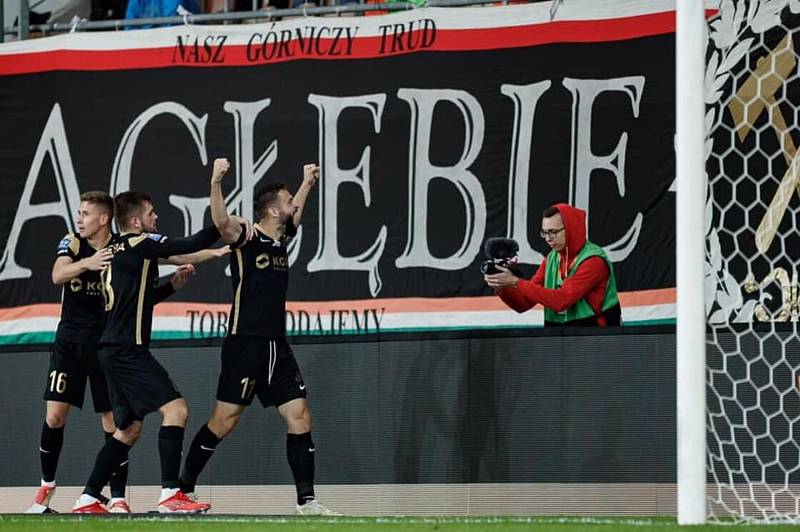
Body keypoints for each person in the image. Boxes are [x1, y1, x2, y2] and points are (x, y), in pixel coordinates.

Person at [178, 159, 340, 516]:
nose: (292, 205)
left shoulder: (280, 238)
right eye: (286, 200)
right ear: (270, 209)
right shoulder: (246, 234)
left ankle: (307, 501)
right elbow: (220, 222)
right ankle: (181, 490)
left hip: (276, 346)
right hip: (245, 343)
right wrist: (216, 181)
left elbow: (295, 215)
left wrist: (306, 182)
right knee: (224, 421)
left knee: (299, 415)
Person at [71, 189, 236, 514]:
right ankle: (170, 494)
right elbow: (187, 244)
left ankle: (89, 496)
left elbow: (137, 301)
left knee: (128, 429)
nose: (156, 218)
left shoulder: (117, 250)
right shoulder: (138, 242)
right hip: (125, 350)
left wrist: (171, 286)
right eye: (151, 213)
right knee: (177, 410)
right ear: (135, 221)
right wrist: (223, 222)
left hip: (111, 349)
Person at [485, 203, 621, 327]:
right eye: (545, 233)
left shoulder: (593, 261)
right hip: (562, 339)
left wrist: (515, 282)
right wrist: (502, 287)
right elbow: (523, 304)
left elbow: (562, 300)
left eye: (553, 232)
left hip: (597, 340)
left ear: (571, 229)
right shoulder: (551, 258)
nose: (548, 238)